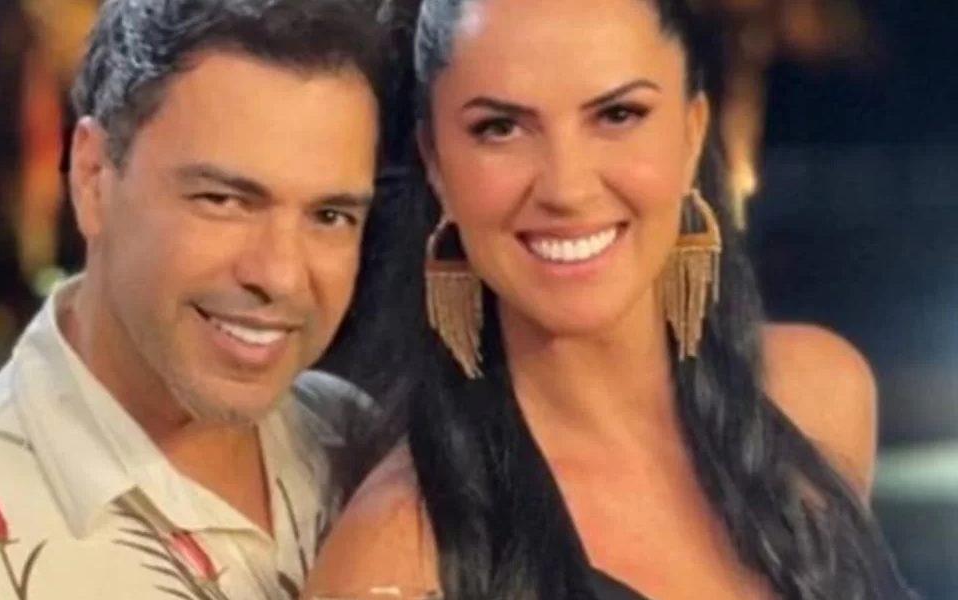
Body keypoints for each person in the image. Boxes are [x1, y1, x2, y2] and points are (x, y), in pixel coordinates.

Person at [304, 0, 913, 598]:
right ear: (436, 163)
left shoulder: (820, 394)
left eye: (618, 114)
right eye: (500, 128)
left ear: (692, 131)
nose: (566, 188)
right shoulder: (397, 556)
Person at [0, 0, 389, 597]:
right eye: (223, 200)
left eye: (330, 215)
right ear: (91, 175)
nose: (282, 275)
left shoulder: (358, 443)